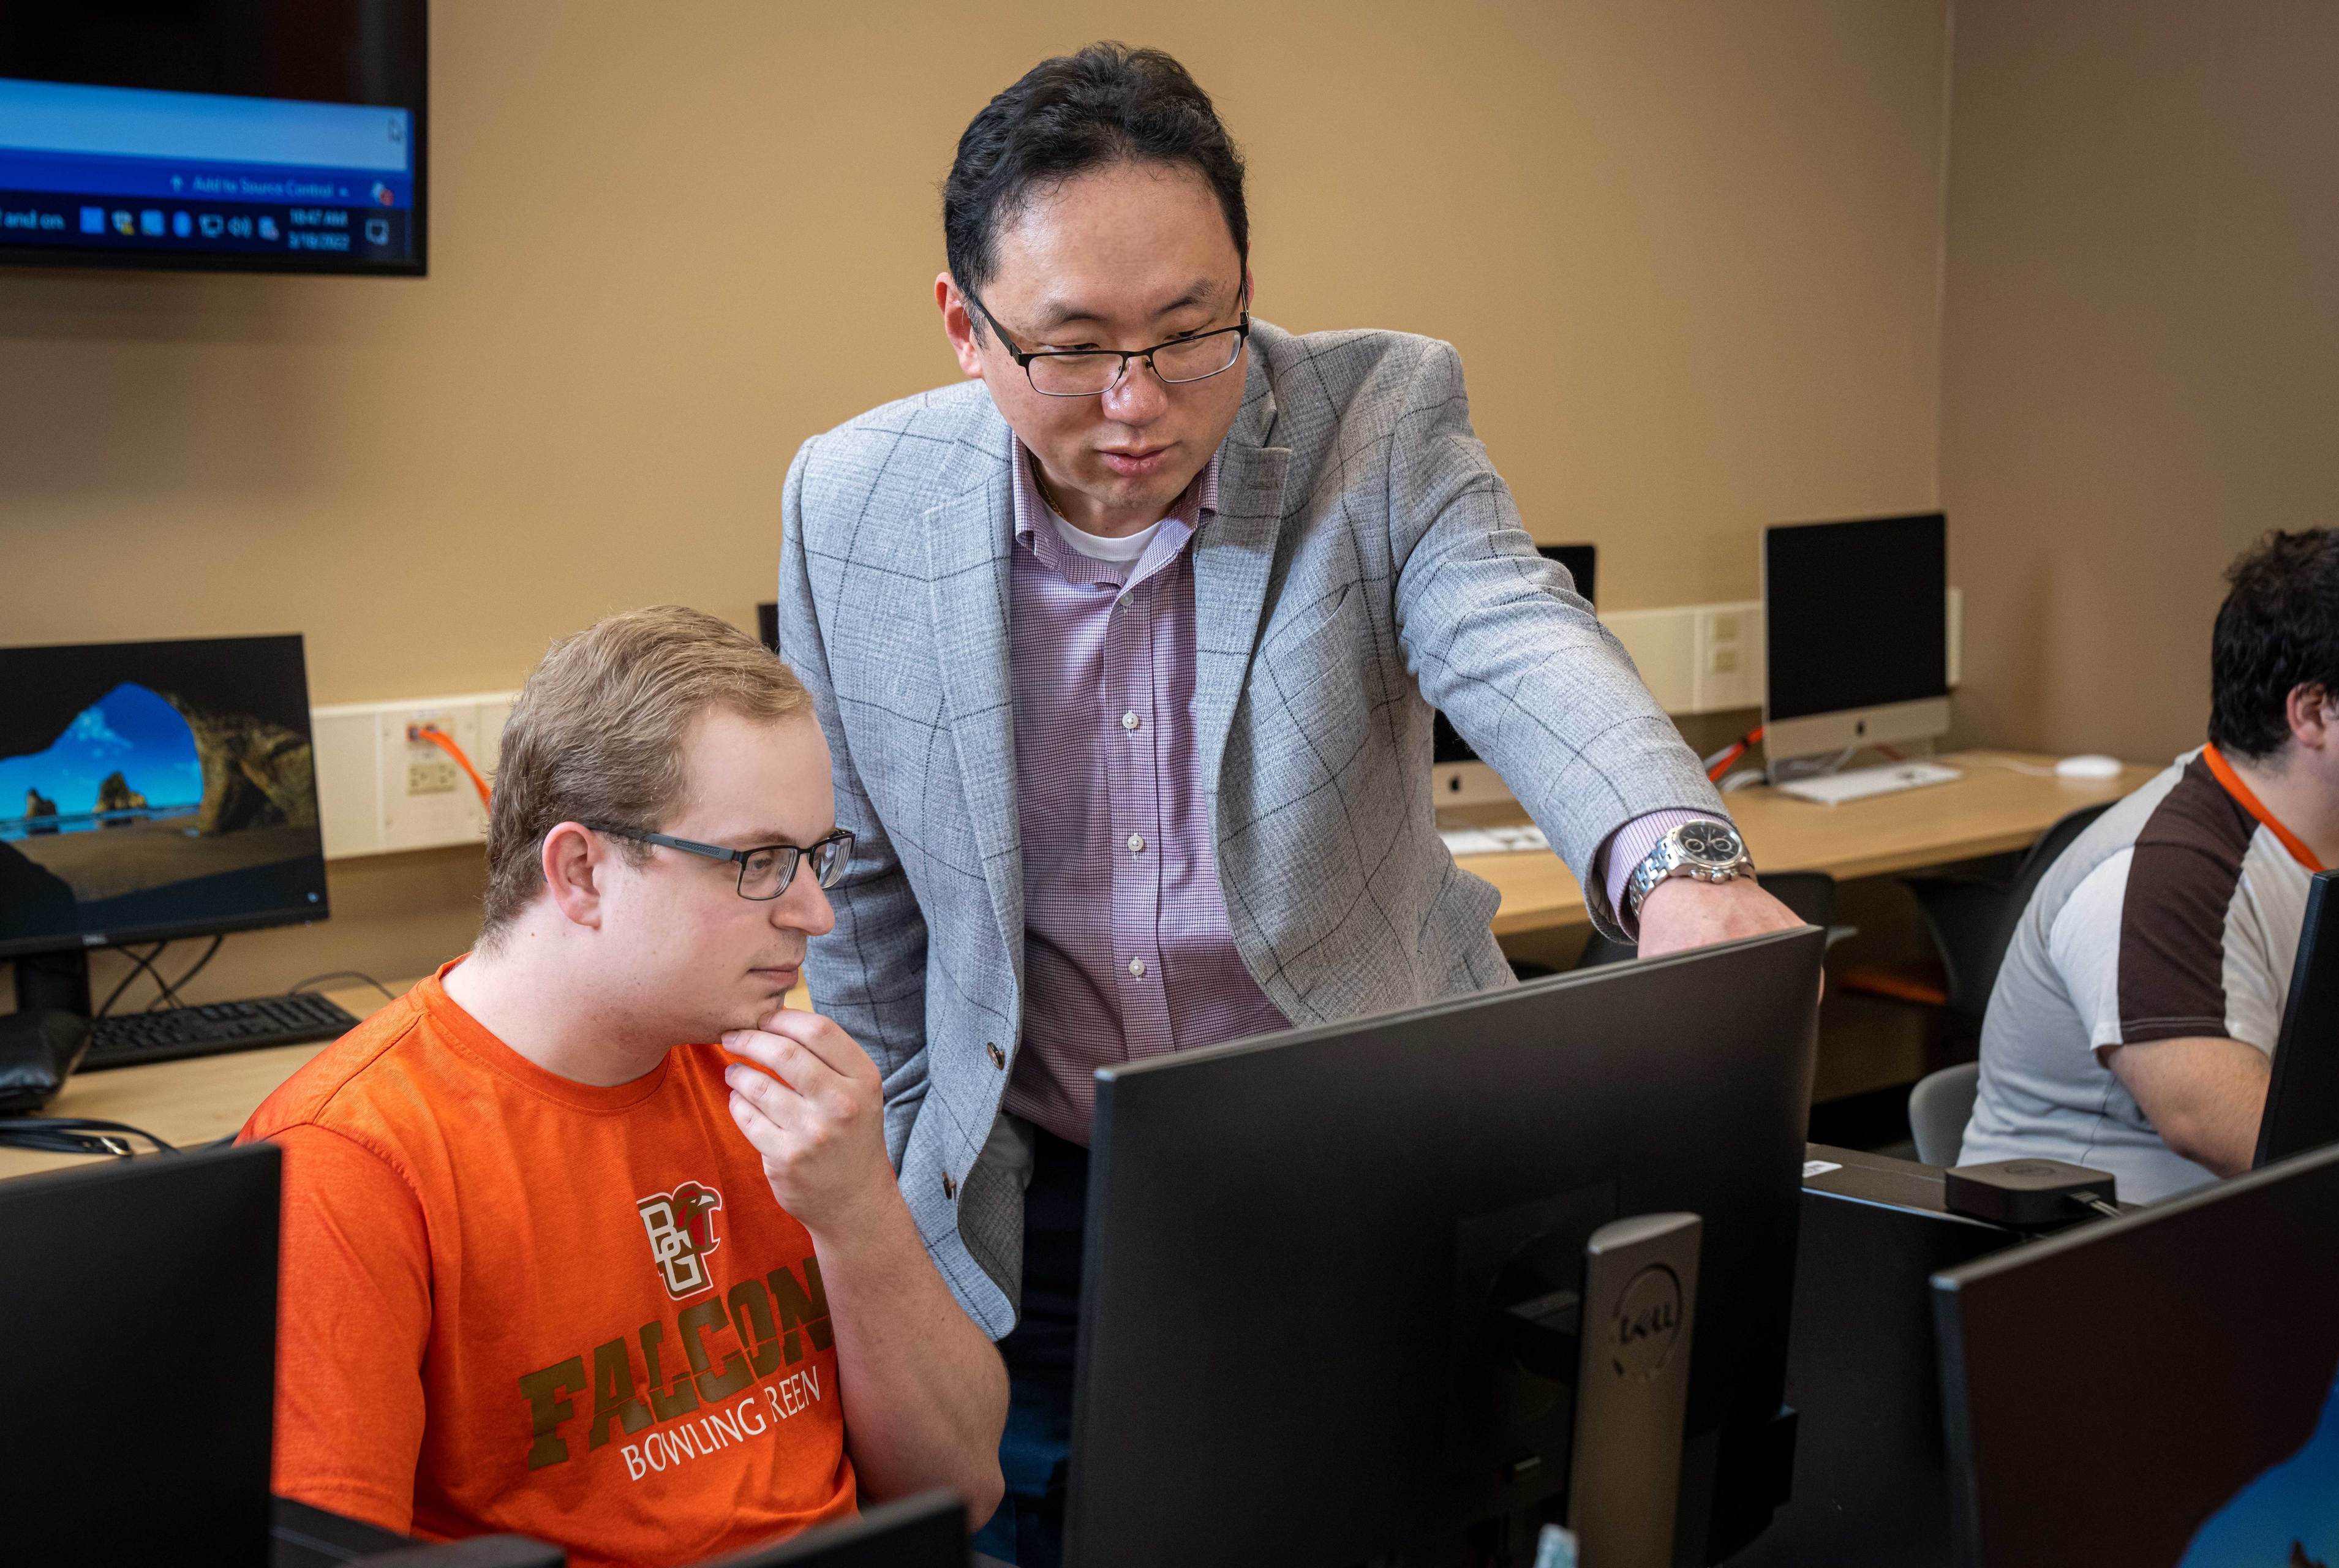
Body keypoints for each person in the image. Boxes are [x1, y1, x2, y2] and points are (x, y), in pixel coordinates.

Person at [774, 44, 1800, 1562]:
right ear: (961, 327)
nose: (1137, 404)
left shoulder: (1372, 419)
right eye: (1072, 349)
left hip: (1367, 1141)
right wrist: (904, 1189)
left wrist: (1681, 863)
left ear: (1245, 284)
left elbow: (1515, 631)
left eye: (1193, 332)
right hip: (1039, 1182)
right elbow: (859, 899)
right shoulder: (848, 502)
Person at [239, 607, 1005, 1568]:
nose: (815, 911)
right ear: (582, 872)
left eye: (818, 858)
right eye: (761, 863)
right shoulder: (350, 1161)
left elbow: (965, 1489)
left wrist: (860, 1218)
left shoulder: (774, 1080)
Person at [1962, 529, 2339, 1202]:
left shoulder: (2327, 840)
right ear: (2314, 711)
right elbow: (2228, 1129)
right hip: (2085, 1268)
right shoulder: (2156, 872)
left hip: (2256, 1246)